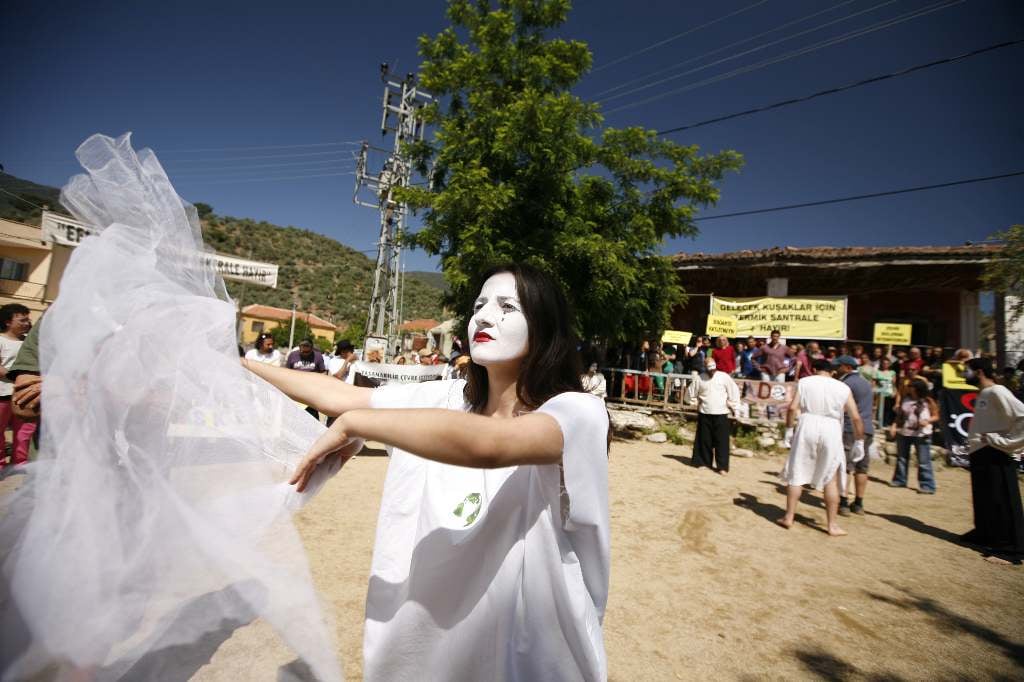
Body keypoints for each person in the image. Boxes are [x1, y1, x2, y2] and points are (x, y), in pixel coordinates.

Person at [243, 263, 610, 680]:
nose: (484, 317)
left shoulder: (578, 413)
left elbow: (490, 444)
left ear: (544, 324)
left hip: (527, 658)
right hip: (430, 651)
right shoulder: (447, 397)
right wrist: (241, 364)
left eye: (508, 306)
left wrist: (354, 424)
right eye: (479, 305)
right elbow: (340, 396)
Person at [779, 358, 865, 536]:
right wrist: (860, 440)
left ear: (814, 369)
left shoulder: (804, 382)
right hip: (831, 427)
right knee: (830, 479)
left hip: (807, 423)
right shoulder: (842, 387)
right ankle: (832, 525)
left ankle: (789, 516)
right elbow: (856, 417)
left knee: (797, 474)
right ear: (832, 371)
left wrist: (788, 429)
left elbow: (792, 408)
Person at [961, 357, 1024, 558]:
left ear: (979, 372)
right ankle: (986, 534)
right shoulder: (984, 393)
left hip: (995, 453)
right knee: (984, 497)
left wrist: (1004, 442)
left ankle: (1011, 545)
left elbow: (1022, 415)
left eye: (967, 370)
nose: (964, 374)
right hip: (981, 452)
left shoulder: (998, 391)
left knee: (1001, 499)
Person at [834, 356, 875, 515]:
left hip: (850, 428)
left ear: (847, 368)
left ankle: (843, 502)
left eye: (839, 367)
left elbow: (841, 407)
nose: (836, 370)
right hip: (867, 428)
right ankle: (858, 503)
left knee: (846, 466)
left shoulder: (846, 384)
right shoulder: (865, 383)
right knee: (862, 467)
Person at [687, 357, 741, 475]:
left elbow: (733, 392)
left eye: (713, 368)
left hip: (721, 413)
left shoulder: (724, 377)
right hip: (705, 412)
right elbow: (690, 393)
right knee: (704, 440)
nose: (712, 371)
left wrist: (735, 409)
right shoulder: (699, 378)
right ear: (705, 367)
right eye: (709, 368)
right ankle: (703, 463)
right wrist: (694, 402)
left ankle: (722, 467)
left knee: (721, 441)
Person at [0, 303, 35, 470]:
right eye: (22, 320)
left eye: (28, 320)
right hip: (3, 395)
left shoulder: (29, 342)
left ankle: (19, 464)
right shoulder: (1, 340)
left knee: (24, 432)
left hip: (24, 395)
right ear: (8, 322)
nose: (27, 323)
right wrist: (18, 376)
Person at [888, 378, 938, 494]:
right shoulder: (905, 400)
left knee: (923, 461)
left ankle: (927, 485)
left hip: (922, 433)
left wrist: (928, 421)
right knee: (902, 458)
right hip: (905, 431)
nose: (908, 388)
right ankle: (900, 480)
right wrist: (894, 425)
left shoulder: (928, 401)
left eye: (911, 386)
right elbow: (900, 415)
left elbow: (936, 415)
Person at [287, 338, 327, 419]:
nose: (304, 354)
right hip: (295, 391)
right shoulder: (292, 355)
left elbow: (323, 372)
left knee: (311, 418)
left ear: (312, 348)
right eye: (302, 351)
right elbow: (286, 372)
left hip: (311, 393)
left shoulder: (318, 356)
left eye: (307, 352)